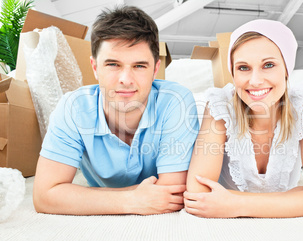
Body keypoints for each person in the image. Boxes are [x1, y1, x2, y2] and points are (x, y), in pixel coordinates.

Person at [33, 6, 199, 215]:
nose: (126, 80)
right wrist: (132, 200)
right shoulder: (73, 107)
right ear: (95, 67)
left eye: (139, 66)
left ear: (155, 69)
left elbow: (172, 195)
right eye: (113, 64)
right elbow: (44, 196)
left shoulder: (176, 101)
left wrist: (82, 197)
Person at [184, 19, 303, 218]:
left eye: (268, 65)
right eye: (243, 68)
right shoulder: (220, 106)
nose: (255, 81)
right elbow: (197, 195)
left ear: (287, 69)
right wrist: (297, 200)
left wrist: (235, 204)